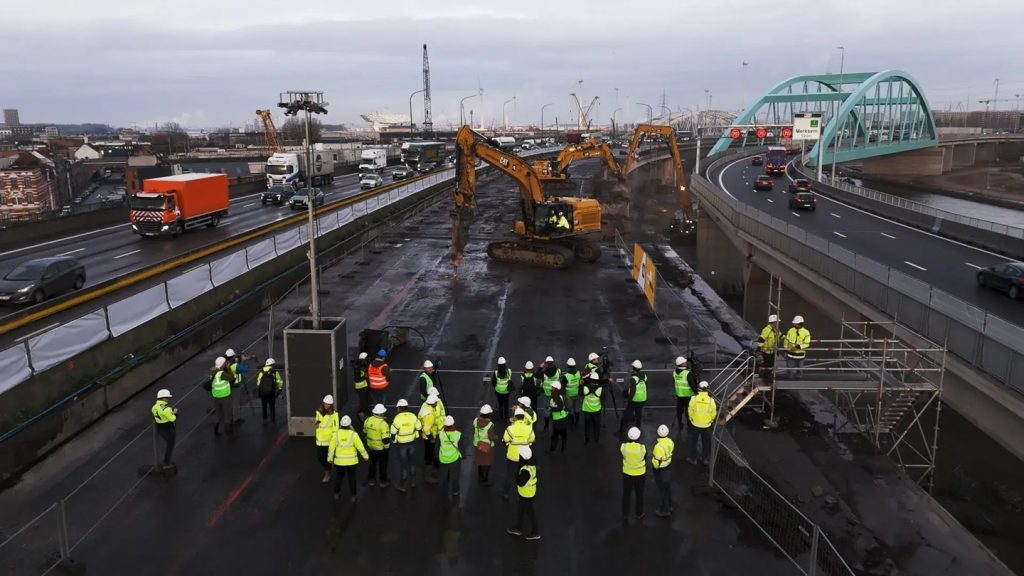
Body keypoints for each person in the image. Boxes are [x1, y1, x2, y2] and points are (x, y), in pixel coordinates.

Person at [328, 415, 369, 502]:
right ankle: (353, 496)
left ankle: (336, 493)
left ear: (340, 424)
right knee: (352, 479)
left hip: (339, 462)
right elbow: (360, 447)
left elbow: (331, 448)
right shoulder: (354, 435)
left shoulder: (335, 435)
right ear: (350, 424)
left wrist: (330, 458)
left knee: (339, 478)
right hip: (352, 462)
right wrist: (365, 456)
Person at [507, 445, 540, 541]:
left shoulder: (525, 470)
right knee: (521, 510)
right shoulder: (532, 465)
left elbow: (521, 482)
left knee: (530, 513)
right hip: (528, 493)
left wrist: (516, 475)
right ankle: (517, 528)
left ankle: (535, 532)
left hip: (526, 494)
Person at [502, 407, 536, 499]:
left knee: (509, 475)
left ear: (515, 417)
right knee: (523, 475)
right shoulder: (528, 429)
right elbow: (532, 440)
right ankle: (521, 492)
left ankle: (506, 493)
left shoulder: (510, 429)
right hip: (524, 456)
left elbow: (505, 440)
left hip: (512, 456)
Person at [390, 398, 422, 492]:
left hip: (401, 445)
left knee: (404, 464)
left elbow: (392, 432)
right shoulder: (412, 416)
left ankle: (403, 485)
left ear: (399, 408)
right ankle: (413, 482)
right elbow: (419, 427)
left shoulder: (397, 419)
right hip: (412, 442)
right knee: (412, 462)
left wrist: (393, 441)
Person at [687, 381, 717, 465]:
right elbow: (713, 413)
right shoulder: (711, 401)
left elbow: (690, 411)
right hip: (707, 425)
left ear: (698, 389)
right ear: (708, 390)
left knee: (694, 442)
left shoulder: (694, 399)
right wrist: (710, 420)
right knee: (706, 443)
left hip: (695, 424)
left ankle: (693, 459)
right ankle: (705, 459)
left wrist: (691, 419)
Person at [621, 426, 647, 521]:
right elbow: (644, 456)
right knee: (639, 494)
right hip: (640, 474)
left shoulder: (623, 447)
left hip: (627, 473)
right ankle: (639, 513)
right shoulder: (642, 448)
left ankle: (625, 513)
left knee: (626, 494)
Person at [204, 356, 234, 437]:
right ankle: (229, 433)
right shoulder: (222, 374)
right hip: (225, 396)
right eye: (225, 363)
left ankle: (216, 432)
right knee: (227, 414)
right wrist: (228, 368)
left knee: (218, 414)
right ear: (222, 365)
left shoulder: (212, 371)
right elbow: (232, 378)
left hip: (216, 396)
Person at [364, 403, 392, 488]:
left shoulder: (368, 420)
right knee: (382, 465)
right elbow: (385, 439)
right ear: (381, 413)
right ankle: (383, 481)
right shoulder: (383, 424)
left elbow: (364, 432)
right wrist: (387, 449)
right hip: (381, 449)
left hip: (371, 447)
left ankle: (371, 480)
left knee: (372, 464)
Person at [652, 424, 675, 517]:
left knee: (662, 490)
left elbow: (656, 462)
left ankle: (665, 510)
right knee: (668, 488)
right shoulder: (670, 442)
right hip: (668, 466)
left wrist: (655, 467)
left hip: (660, 470)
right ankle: (670, 505)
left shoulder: (658, 447)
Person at [315, 395, 339, 483]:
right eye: (325, 403)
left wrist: (334, 438)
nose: (326, 405)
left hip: (329, 440)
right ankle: (328, 467)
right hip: (319, 440)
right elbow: (317, 422)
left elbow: (335, 427)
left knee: (328, 458)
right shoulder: (318, 412)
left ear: (331, 405)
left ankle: (327, 473)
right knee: (320, 457)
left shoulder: (334, 414)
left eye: (328, 404)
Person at [438, 415, 463, 498]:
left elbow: (438, 445)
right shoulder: (458, 434)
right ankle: (455, 490)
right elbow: (461, 447)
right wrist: (463, 455)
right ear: (453, 424)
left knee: (444, 476)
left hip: (443, 458)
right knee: (455, 476)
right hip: (454, 459)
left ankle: (444, 490)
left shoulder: (441, 434)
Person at [151, 389, 177, 469]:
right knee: (170, 445)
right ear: (164, 398)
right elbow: (173, 418)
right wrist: (174, 412)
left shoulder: (154, 407)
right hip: (168, 429)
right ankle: (166, 462)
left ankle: (165, 462)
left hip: (160, 428)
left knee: (168, 444)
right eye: (167, 398)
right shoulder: (167, 409)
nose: (168, 399)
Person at [418, 393, 441, 482]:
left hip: (424, 436)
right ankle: (428, 476)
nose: (436, 403)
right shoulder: (430, 414)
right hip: (428, 436)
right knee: (430, 454)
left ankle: (427, 461)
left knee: (428, 453)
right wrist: (432, 438)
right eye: (435, 402)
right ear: (433, 403)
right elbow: (426, 429)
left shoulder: (424, 408)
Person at [621, 360, 647, 433]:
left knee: (627, 414)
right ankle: (638, 428)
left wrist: (629, 399)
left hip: (634, 399)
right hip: (642, 398)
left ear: (634, 368)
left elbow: (632, 391)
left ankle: (623, 428)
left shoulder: (633, 379)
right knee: (639, 414)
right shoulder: (644, 376)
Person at [473, 405, 497, 484]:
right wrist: (496, 437)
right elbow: (491, 437)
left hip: (477, 444)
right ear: (488, 414)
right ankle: (485, 479)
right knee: (487, 463)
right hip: (487, 446)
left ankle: (480, 475)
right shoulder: (490, 424)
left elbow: (474, 430)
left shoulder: (475, 421)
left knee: (480, 461)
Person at [256, 358, 284, 424]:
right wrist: (279, 389)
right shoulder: (274, 371)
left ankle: (264, 419)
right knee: (272, 406)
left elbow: (258, 382)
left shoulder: (261, 371)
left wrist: (261, 389)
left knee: (264, 406)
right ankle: (272, 420)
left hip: (263, 392)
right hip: (271, 392)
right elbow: (279, 381)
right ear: (272, 364)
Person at [782, 315, 811, 380]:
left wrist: (798, 347)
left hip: (800, 355)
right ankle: (790, 383)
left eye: (796, 324)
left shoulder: (806, 332)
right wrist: (785, 350)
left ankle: (798, 383)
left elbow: (807, 344)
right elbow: (786, 341)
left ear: (801, 324)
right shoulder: (790, 330)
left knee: (800, 371)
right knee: (789, 370)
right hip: (790, 354)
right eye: (794, 324)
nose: (795, 325)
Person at [672, 356, 696, 429]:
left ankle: (680, 424)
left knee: (679, 410)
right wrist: (697, 393)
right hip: (688, 395)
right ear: (682, 364)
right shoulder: (687, 373)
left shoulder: (674, 372)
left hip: (679, 395)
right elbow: (692, 385)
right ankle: (689, 425)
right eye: (685, 362)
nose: (686, 363)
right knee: (688, 411)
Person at [581, 371, 604, 444]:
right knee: (596, 425)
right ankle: (596, 438)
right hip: (597, 410)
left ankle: (587, 438)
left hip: (586, 410)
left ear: (590, 380)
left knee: (587, 425)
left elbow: (580, 393)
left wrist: (581, 384)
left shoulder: (585, 388)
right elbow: (603, 400)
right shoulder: (600, 389)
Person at [540, 356, 559, 431]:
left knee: (546, 411)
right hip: (555, 395)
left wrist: (541, 367)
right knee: (555, 409)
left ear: (546, 364)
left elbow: (538, 376)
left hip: (546, 395)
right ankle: (555, 424)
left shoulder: (544, 374)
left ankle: (546, 426)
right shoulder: (558, 371)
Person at [548, 381, 569, 453]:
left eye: (553, 387)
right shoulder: (558, 394)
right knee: (563, 434)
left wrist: (551, 409)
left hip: (559, 419)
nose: (551, 388)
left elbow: (560, 407)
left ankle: (552, 449)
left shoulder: (556, 397)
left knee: (555, 435)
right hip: (562, 417)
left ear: (556, 388)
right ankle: (563, 448)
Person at [758, 315, 780, 382]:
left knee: (770, 365)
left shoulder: (775, 330)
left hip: (772, 351)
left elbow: (780, 335)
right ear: (773, 322)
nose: (778, 323)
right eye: (777, 322)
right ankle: (766, 378)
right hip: (766, 351)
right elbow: (761, 339)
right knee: (768, 365)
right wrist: (759, 347)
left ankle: (767, 377)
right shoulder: (767, 330)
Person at [561, 357, 581, 426]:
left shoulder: (566, 376)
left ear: (568, 366)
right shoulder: (578, 373)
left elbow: (562, 386)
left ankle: (572, 422)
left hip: (569, 396)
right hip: (577, 394)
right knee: (577, 408)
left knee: (570, 409)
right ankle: (577, 421)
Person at [353, 352, 370, 417]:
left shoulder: (362, 365)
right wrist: (364, 377)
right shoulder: (357, 367)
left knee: (364, 401)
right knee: (363, 401)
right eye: (366, 359)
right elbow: (357, 379)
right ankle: (364, 413)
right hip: (361, 387)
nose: (367, 360)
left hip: (364, 386)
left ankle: (362, 411)